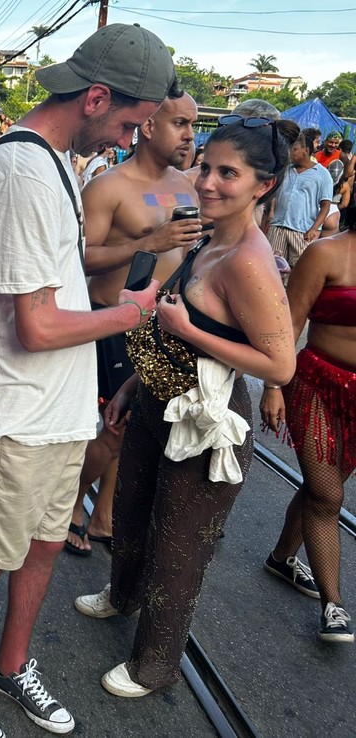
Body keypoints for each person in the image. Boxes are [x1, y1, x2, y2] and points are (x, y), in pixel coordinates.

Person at [0, 23, 172, 737]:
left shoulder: (53, 165)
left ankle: (10, 667)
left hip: (59, 409)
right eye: (130, 123)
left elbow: (66, 262)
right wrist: (135, 312)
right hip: (16, 413)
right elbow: (35, 326)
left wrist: (142, 246)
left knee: (44, 546)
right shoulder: (19, 169)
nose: (130, 139)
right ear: (97, 97)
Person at [75, 116, 297, 697]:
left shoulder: (249, 260)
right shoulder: (207, 235)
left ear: (263, 186)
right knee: (129, 506)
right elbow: (169, 325)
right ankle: (121, 594)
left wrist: (186, 329)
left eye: (229, 173)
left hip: (206, 426)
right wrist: (130, 388)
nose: (208, 182)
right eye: (206, 167)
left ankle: (154, 665)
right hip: (157, 399)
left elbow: (279, 365)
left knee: (177, 546)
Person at [65, 93, 201, 556]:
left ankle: (103, 514)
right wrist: (151, 240)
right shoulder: (108, 186)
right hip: (111, 325)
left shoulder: (187, 186)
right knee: (113, 428)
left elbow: (187, 256)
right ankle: (67, 504)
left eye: (192, 125)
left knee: (137, 429)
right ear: (147, 126)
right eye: (180, 123)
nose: (189, 135)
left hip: (162, 328)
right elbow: (79, 258)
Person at [260, 230, 356, 644]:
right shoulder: (325, 253)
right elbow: (290, 323)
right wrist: (271, 385)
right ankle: (333, 606)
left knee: (322, 489)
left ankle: (282, 557)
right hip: (317, 384)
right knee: (327, 496)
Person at [267, 128, 332, 270]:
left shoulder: (322, 174)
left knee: (299, 269)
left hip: (302, 231)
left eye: (295, 149)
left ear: (306, 150)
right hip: (278, 227)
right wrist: (271, 213)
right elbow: (275, 193)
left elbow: (326, 205)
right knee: (273, 267)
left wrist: (315, 228)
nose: (291, 153)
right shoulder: (286, 170)